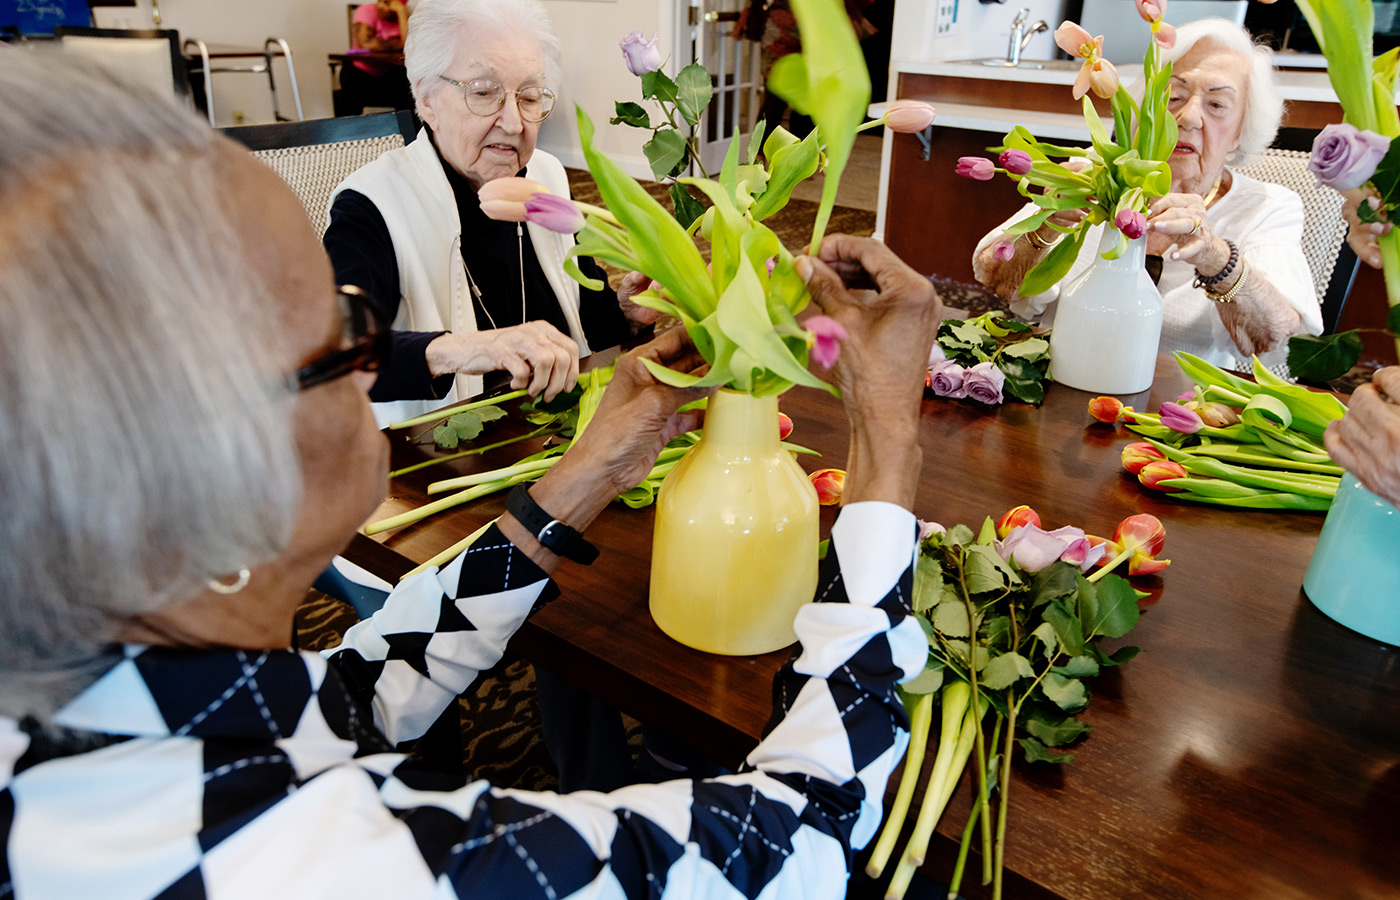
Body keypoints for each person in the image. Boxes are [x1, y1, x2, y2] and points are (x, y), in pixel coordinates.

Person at [0, 51, 945, 899]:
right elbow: (809, 830)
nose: (369, 351)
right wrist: (888, 439)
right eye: (339, 335)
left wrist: (575, 484)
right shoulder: (341, 864)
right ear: (193, 466)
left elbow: (350, 700)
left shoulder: (105, 714)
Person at [325, 0, 655, 426]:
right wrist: (467, 349)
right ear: (426, 99)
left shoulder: (546, 177)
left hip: (556, 433)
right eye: (484, 92)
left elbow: (587, 320)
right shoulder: (373, 204)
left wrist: (626, 315)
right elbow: (337, 356)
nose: (515, 123)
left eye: (530, 97)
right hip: (436, 461)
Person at [973, 18, 1322, 374]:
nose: (1188, 118)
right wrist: (1045, 225)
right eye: (1173, 96)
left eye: (1216, 105)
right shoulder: (1094, 176)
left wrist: (1215, 257)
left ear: (1241, 131)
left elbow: (1274, 335)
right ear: (1143, 108)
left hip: (1172, 408)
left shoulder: (1267, 207)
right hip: (1053, 378)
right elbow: (996, 279)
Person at [337, 0, 416, 115]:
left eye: (387, 2)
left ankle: (406, 130)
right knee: (349, 84)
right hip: (361, 72)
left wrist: (401, 12)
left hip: (393, 73)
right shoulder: (367, 10)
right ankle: (347, 130)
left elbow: (411, 47)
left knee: (411, 86)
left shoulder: (407, 15)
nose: (381, 6)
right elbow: (366, 43)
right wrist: (400, 44)